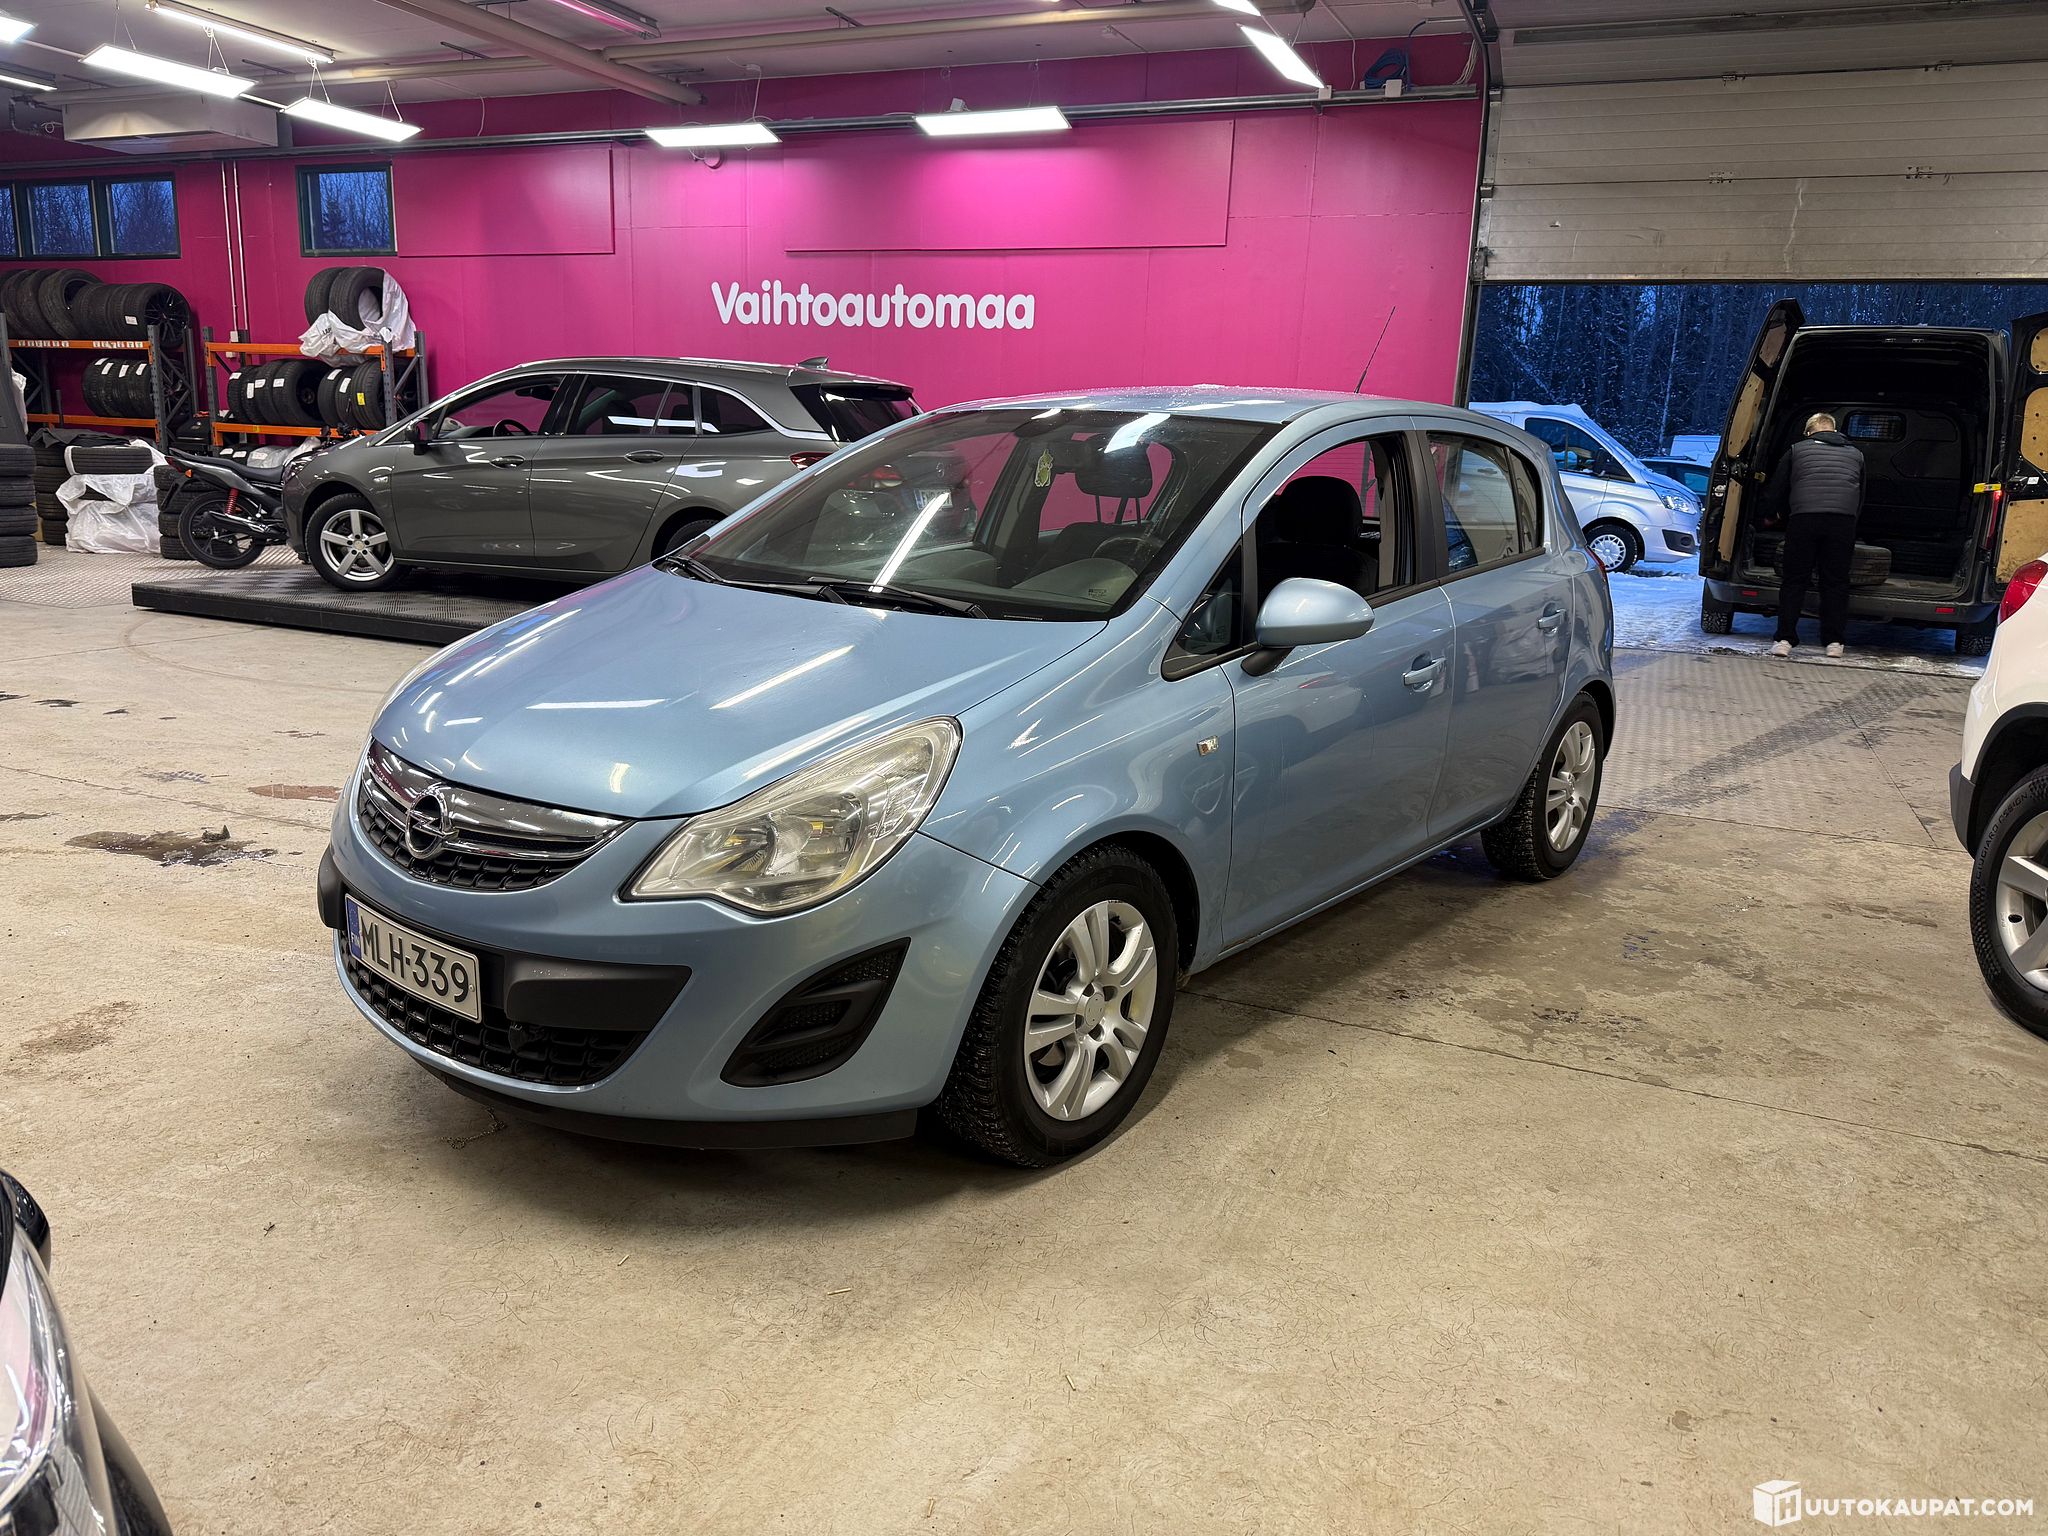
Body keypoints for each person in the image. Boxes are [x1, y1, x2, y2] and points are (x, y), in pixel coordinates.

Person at [1765, 412, 1865, 659]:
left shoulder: (1796, 450)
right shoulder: (1857, 455)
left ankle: (1785, 639)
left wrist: (1770, 515)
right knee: (1836, 582)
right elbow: (1861, 494)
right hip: (1842, 523)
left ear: (1809, 432)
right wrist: (1851, 521)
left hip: (1804, 520)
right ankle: (1834, 642)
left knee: (1794, 580)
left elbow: (1778, 487)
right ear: (1834, 430)